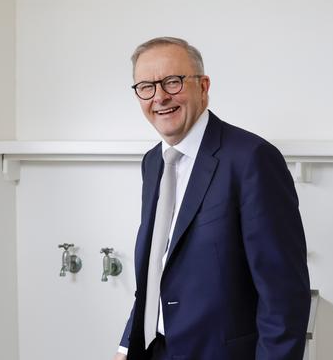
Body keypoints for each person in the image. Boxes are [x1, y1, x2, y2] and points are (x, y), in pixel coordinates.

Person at [114, 37, 311, 360]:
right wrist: (126, 347)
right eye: (146, 87)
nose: (160, 96)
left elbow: (283, 295)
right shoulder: (153, 162)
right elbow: (157, 268)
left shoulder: (252, 159)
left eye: (172, 82)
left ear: (203, 86)